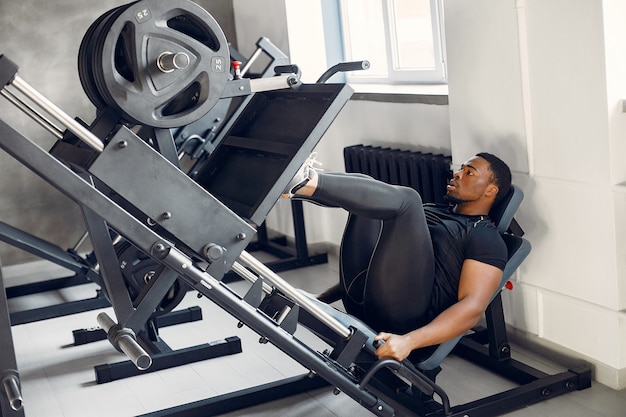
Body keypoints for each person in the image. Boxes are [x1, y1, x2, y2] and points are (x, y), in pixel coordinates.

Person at [283, 152, 511, 363]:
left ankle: (304, 181)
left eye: (469, 172)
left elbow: (472, 308)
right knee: (368, 192)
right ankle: (293, 186)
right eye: (460, 169)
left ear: (491, 191)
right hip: (362, 298)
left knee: (408, 200)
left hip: (406, 321)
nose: (458, 174)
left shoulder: (485, 237)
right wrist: (322, 298)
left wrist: (409, 341)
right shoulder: (433, 210)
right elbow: (383, 265)